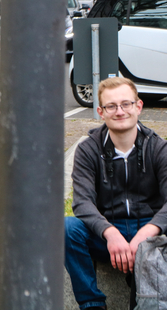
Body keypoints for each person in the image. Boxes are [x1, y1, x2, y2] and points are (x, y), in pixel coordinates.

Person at [65, 77, 167, 310]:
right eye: (111, 106)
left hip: (151, 234)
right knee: (67, 228)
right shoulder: (88, 149)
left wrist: (147, 234)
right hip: (108, 233)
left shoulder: (159, 148)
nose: (119, 111)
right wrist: (110, 233)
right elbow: (82, 202)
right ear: (101, 112)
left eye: (126, 104)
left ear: (138, 107)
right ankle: (92, 304)